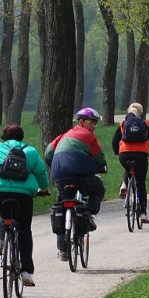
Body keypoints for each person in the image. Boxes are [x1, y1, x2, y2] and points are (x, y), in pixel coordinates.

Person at [0, 124, 51, 287]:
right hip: (24, 193)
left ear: (3, 137)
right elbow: (41, 172)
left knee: (4, 214)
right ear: (21, 136)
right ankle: (26, 272)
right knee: (24, 230)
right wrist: (44, 188)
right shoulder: (31, 151)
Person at [43, 107, 108, 259]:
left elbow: (48, 153)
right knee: (98, 189)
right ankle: (88, 214)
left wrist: (55, 165)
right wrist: (102, 166)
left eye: (95, 123)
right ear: (81, 121)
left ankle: (63, 250)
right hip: (81, 175)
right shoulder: (88, 136)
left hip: (60, 176)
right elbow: (99, 157)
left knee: (62, 202)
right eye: (91, 122)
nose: (93, 126)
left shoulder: (62, 136)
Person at [111, 102, 149, 223]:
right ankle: (142, 213)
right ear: (141, 113)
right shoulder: (145, 124)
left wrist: (117, 152)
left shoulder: (123, 123)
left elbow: (114, 140)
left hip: (124, 154)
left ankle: (124, 184)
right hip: (141, 155)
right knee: (140, 182)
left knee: (127, 168)